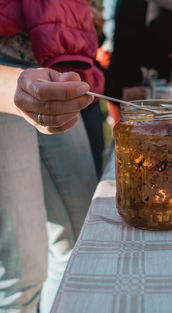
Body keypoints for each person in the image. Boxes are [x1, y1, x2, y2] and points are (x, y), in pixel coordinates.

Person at [0, 1, 104, 313]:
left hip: (49, 65)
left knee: (83, 238)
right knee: (23, 269)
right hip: (10, 78)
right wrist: (13, 89)